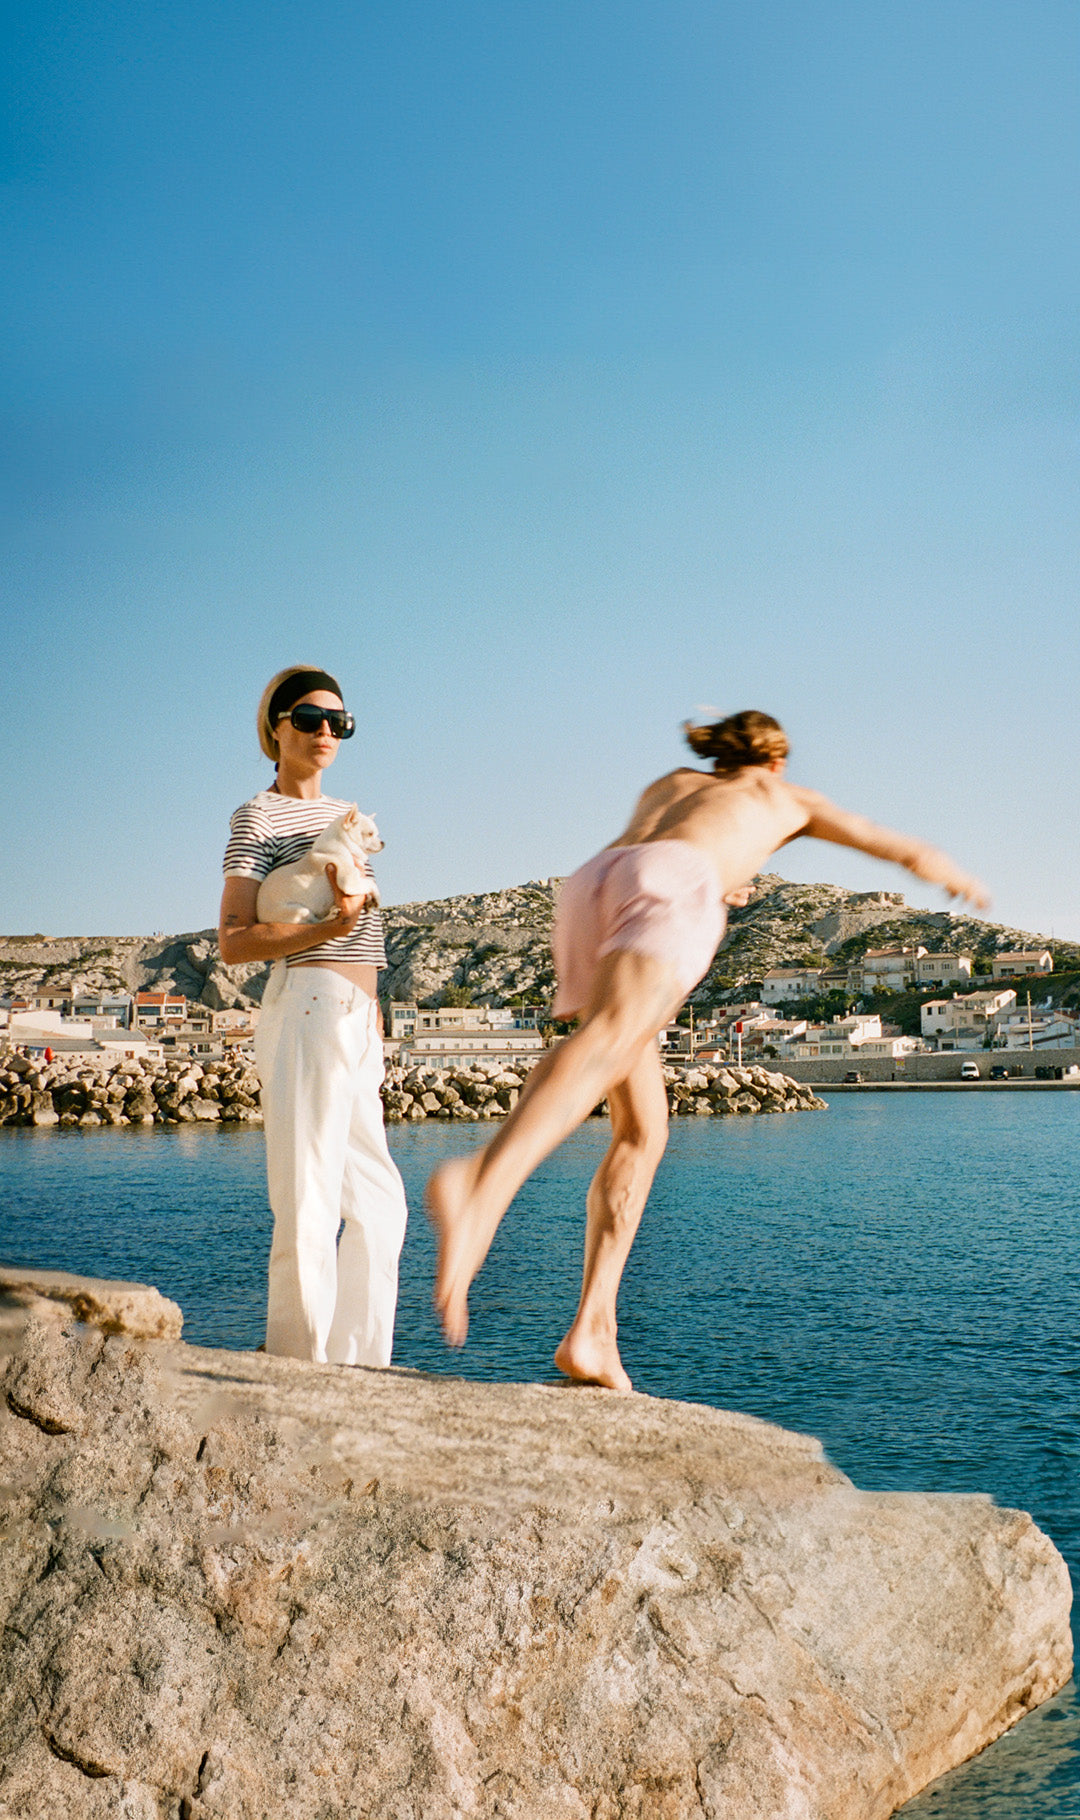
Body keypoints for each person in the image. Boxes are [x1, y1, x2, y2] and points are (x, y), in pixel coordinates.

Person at [427, 710, 989, 1392]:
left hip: (594, 880)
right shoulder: (786, 796)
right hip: (671, 881)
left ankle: (593, 1333)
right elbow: (889, 844)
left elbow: (654, 854)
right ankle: (481, 1184)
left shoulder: (674, 784)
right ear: (775, 761)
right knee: (604, 1040)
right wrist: (947, 870)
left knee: (643, 1130)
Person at [218, 665, 408, 1366]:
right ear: (275, 729)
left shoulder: (348, 815)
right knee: (309, 1196)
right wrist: (331, 933)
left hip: (357, 1012)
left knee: (382, 1206)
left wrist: (376, 1013)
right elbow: (236, 940)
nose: (327, 730)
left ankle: (359, 1366)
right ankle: (300, 1363)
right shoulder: (259, 817)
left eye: (339, 721)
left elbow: (365, 931)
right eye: (308, 718)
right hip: (307, 1001)